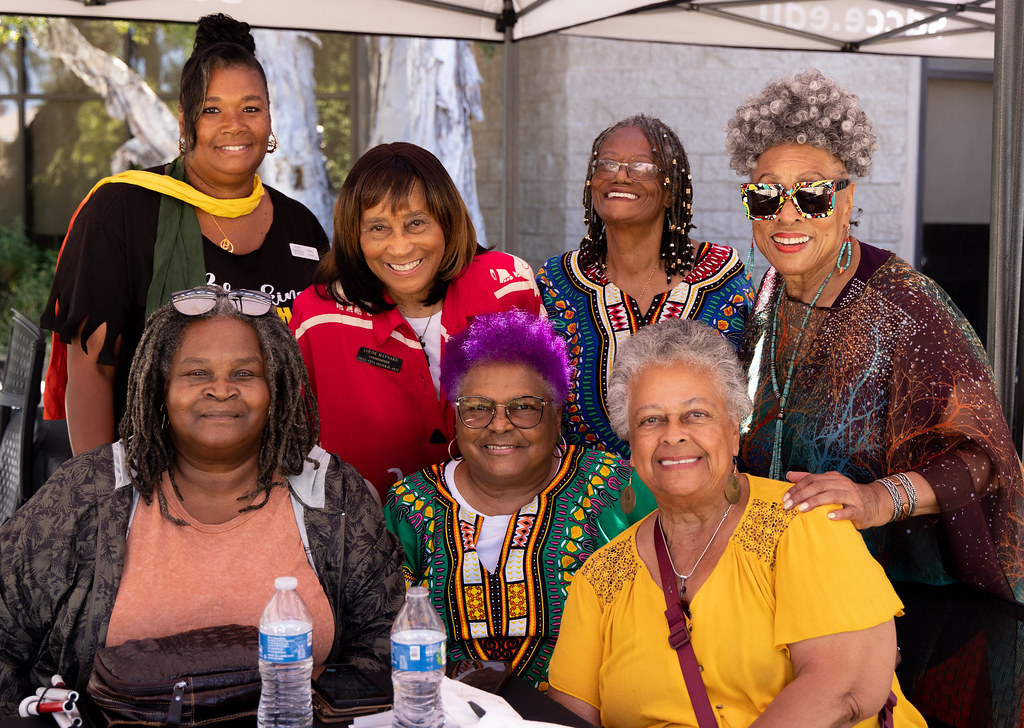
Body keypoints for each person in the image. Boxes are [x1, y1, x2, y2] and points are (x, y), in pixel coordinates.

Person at [0, 286, 404, 715]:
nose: (221, 389)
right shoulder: (89, 492)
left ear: (277, 390)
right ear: (160, 387)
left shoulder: (332, 494)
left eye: (245, 374)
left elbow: (383, 649)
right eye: (196, 374)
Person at [726, 69, 1024, 602]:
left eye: (812, 195)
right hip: (784, 587)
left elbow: (985, 457)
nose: (786, 214)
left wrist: (880, 499)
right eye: (766, 195)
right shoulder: (768, 291)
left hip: (899, 604)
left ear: (845, 202)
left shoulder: (905, 307)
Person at [547, 318, 926, 727]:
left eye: (695, 414)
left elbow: (846, 689)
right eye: (651, 420)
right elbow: (567, 719)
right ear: (632, 446)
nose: (673, 435)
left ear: (733, 432)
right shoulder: (601, 578)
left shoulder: (804, 522)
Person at [41, 13, 330, 456]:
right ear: (184, 119)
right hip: (149, 482)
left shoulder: (302, 227)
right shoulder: (122, 210)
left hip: (278, 483)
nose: (234, 124)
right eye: (212, 109)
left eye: (250, 108)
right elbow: (91, 371)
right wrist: (104, 498)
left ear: (270, 119)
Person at [384, 310, 632, 689]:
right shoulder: (410, 503)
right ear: (456, 415)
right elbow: (382, 634)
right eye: (478, 408)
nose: (500, 424)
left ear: (557, 412)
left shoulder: (612, 488)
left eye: (524, 407)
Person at [290, 142, 542, 502]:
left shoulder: (508, 287)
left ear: (447, 220)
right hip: (365, 541)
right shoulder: (318, 316)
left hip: (506, 526)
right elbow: (291, 440)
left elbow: (547, 413)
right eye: (378, 228)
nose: (400, 247)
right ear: (354, 236)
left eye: (416, 223)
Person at [537, 114, 753, 458]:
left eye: (642, 166)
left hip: (701, 491)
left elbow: (749, 393)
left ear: (671, 192)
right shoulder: (556, 281)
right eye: (606, 163)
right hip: (587, 499)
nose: (620, 175)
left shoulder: (722, 275)